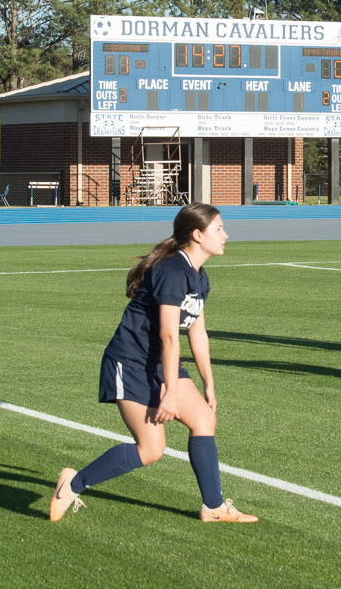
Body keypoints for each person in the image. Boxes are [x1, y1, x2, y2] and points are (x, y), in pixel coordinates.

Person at [49, 203, 257, 523]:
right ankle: (72, 484)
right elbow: (169, 336)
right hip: (130, 362)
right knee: (150, 449)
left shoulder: (199, 277)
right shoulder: (172, 271)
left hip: (160, 363)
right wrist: (171, 392)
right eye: (219, 229)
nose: (225, 235)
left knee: (204, 419)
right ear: (197, 235)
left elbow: (197, 334)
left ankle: (214, 508)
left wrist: (209, 384)